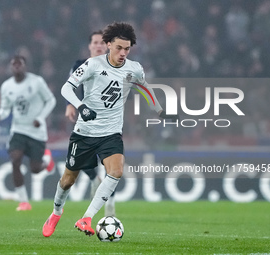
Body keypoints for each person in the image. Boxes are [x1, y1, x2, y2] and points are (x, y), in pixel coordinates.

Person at [43, 22, 177, 237]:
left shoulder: (134, 69)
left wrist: (160, 112)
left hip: (111, 133)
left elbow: (146, 90)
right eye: (119, 48)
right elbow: (66, 88)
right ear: (108, 45)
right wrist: (81, 106)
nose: (123, 53)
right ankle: (56, 212)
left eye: (127, 49)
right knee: (68, 180)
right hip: (85, 132)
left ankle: (86, 218)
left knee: (115, 171)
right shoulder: (92, 65)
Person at [0, 55, 56, 211]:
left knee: (35, 169)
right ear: (10, 67)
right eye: (13, 64)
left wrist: (41, 118)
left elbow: (51, 100)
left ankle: (46, 161)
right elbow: (5, 108)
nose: (16, 67)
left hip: (36, 131)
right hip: (18, 129)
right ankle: (23, 201)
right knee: (15, 159)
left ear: (25, 66)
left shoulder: (36, 82)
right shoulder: (6, 86)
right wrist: (0, 115)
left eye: (19, 64)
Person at [65, 30, 116, 216]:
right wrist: (70, 105)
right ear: (89, 46)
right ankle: (95, 179)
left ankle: (110, 206)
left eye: (102, 42)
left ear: (107, 45)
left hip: (109, 121)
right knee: (84, 161)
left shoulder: (115, 66)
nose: (98, 45)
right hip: (86, 119)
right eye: (95, 42)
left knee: (112, 166)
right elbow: (71, 86)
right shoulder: (80, 65)